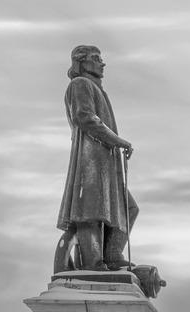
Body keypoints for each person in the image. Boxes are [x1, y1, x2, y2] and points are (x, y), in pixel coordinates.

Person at [56, 45, 138, 271]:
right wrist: (117, 140)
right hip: (90, 160)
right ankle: (93, 263)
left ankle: (112, 254)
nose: (102, 63)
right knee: (90, 211)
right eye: (96, 58)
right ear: (81, 63)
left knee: (128, 207)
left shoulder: (96, 89)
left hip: (105, 161)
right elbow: (85, 117)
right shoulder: (80, 84)